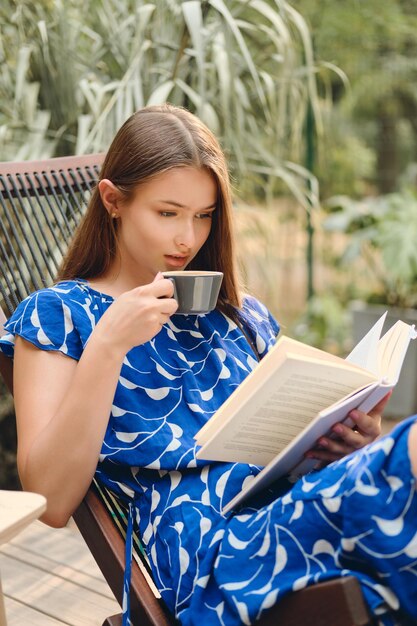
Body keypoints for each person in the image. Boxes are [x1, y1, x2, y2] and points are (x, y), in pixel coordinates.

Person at [0, 103, 416, 626]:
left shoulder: (237, 312)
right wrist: (107, 347)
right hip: (211, 551)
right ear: (113, 201)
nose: (188, 239)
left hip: (290, 509)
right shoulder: (60, 316)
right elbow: (51, 500)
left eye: (204, 215)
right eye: (168, 213)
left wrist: (347, 440)